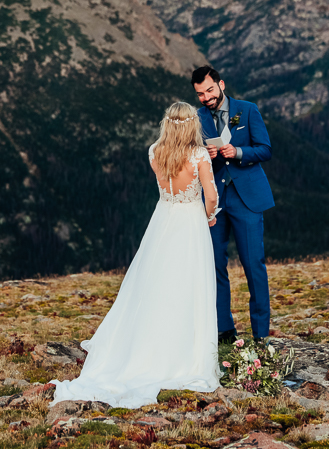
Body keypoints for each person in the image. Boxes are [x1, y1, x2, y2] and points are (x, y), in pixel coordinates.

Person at [50, 102, 221, 409]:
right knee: (189, 284)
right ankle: (183, 352)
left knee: (154, 285)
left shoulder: (155, 151)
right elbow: (210, 195)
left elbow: (166, 186)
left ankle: (145, 343)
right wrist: (210, 216)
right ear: (191, 125)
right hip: (190, 224)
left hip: (162, 220)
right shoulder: (198, 155)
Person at [191, 66, 274, 343]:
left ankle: (261, 335)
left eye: (210, 90)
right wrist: (207, 154)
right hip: (214, 201)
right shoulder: (197, 118)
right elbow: (192, 159)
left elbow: (265, 149)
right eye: (200, 94)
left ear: (221, 84)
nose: (206, 97)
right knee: (213, 263)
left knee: (253, 265)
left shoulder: (247, 110)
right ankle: (224, 331)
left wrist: (238, 151)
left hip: (247, 200)